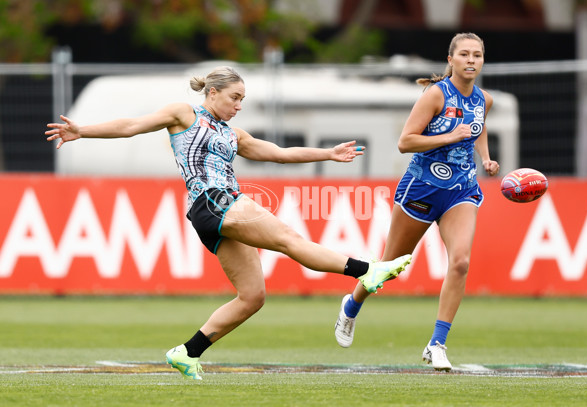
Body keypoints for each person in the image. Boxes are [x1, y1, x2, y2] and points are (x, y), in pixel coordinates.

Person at [45, 66, 412, 381]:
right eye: (234, 98)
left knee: (252, 297)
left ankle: (187, 352)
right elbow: (132, 126)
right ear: (213, 92)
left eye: (243, 100)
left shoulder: (233, 134)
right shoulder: (183, 113)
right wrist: (84, 131)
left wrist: (328, 154)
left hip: (211, 213)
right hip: (213, 200)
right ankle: (366, 271)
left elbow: (279, 154)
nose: (239, 106)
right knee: (286, 236)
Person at [333, 33, 500, 371]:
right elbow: (405, 142)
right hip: (422, 189)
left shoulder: (485, 100)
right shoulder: (436, 95)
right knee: (387, 269)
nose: (471, 60)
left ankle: (437, 344)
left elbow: (478, 129)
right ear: (450, 59)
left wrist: (485, 158)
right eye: (464, 54)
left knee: (460, 263)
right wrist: (450, 136)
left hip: (461, 190)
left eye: (477, 55)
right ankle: (351, 305)